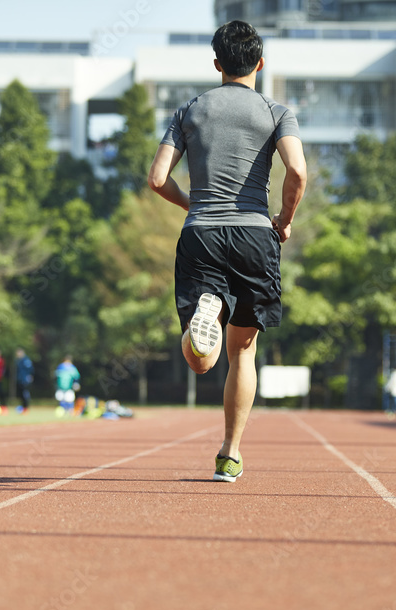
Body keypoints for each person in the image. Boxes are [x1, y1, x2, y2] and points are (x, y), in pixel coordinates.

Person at [148, 20, 307, 482]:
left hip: (202, 232)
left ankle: (206, 309)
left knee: (201, 361)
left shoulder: (189, 111)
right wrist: (284, 219)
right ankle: (230, 453)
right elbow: (296, 171)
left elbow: (157, 179)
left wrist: (192, 201)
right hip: (255, 234)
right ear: (260, 63)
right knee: (243, 353)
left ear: (217, 64)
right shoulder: (277, 112)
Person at [15, 348, 34, 413]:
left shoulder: (26, 360)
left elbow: (30, 370)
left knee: (25, 393)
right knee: (20, 394)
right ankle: (23, 407)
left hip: (25, 380)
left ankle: (26, 407)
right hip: (20, 379)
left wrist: (29, 377)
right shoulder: (18, 360)